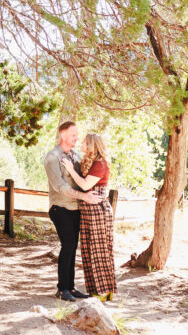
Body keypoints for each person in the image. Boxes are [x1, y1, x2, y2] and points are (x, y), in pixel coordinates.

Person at [43, 121, 104, 302]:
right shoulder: (52, 158)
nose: (77, 138)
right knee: (68, 245)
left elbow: (84, 179)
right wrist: (84, 197)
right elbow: (60, 187)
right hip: (60, 208)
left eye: (78, 135)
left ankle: (70, 286)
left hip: (76, 209)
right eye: (73, 135)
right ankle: (62, 289)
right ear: (62, 135)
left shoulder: (76, 156)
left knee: (72, 247)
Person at [62, 133, 117, 301]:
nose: (81, 143)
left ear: (92, 145)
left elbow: (86, 185)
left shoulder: (100, 164)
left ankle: (103, 291)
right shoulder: (92, 161)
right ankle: (96, 290)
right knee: (88, 251)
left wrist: (70, 169)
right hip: (87, 210)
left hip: (97, 209)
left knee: (99, 250)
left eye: (85, 142)